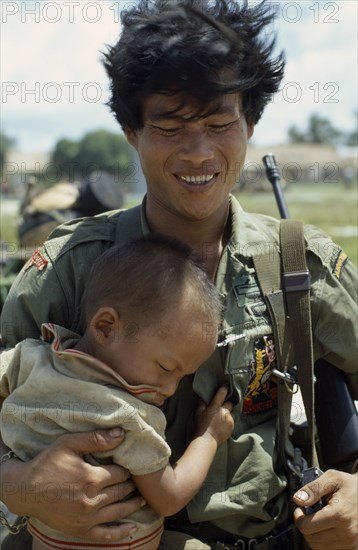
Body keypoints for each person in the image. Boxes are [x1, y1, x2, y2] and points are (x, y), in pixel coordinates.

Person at [0, 1, 357, 549]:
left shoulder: (299, 265)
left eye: (219, 124)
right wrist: (18, 486)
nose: (199, 152)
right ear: (131, 132)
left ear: (251, 124)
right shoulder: (68, 271)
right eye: (170, 125)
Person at [0, 235, 234, 550]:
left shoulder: (32, 358)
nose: (169, 388)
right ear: (106, 327)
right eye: (166, 368)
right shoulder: (127, 417)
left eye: (183, 377)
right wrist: (208, 437)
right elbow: (169, 497)